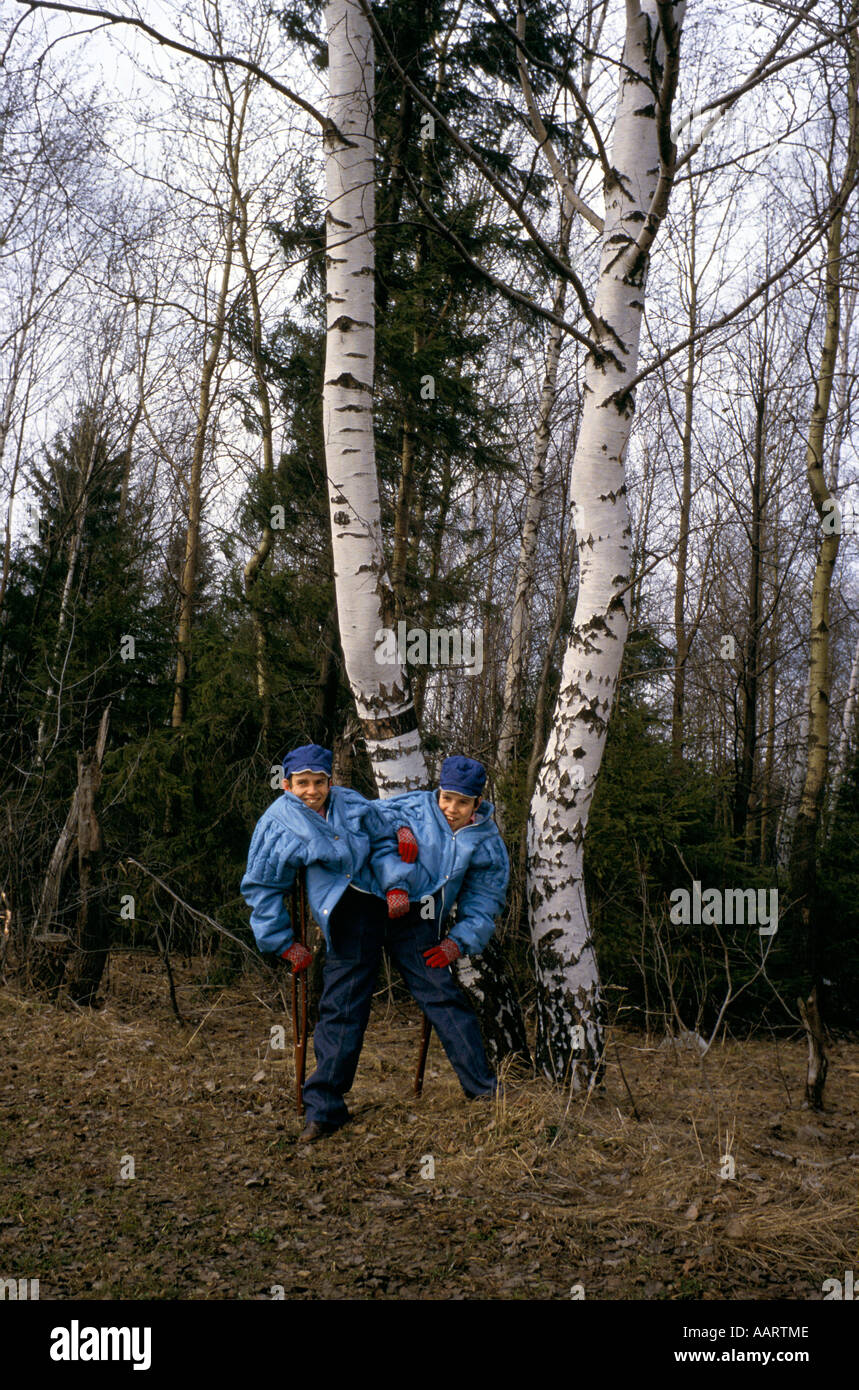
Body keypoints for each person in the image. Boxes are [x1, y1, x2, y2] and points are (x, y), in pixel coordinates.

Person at [296, 753, 509, 1142]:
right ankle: (324, 1110)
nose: (451, 809)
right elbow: (363, 819)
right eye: (446, 797)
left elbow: (484, 901)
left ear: (478, 803)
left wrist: (458, 943)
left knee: (442, 995)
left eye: (462, 802)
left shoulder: (487, 844)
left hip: (417, 913)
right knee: (344, 1000)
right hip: (362, 899)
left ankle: (484, 1094)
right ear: (437, 791)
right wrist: (398, 833)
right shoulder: (409, 805)